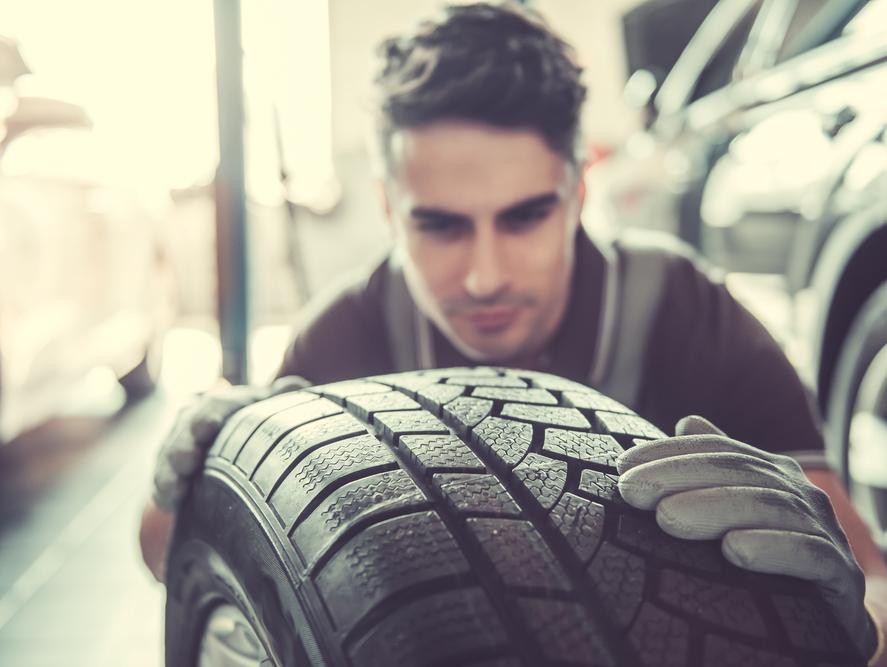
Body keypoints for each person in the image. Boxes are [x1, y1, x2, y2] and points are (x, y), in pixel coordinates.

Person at [140, 2, 886, 663]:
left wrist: (846, 611)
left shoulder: (679, 307)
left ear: (576, 192)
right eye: (440, 225)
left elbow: (874, 576)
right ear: (389, 208)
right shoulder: (346, 334)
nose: (484, 276)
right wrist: (187, 486)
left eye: (523, 216)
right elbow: (180, 559)